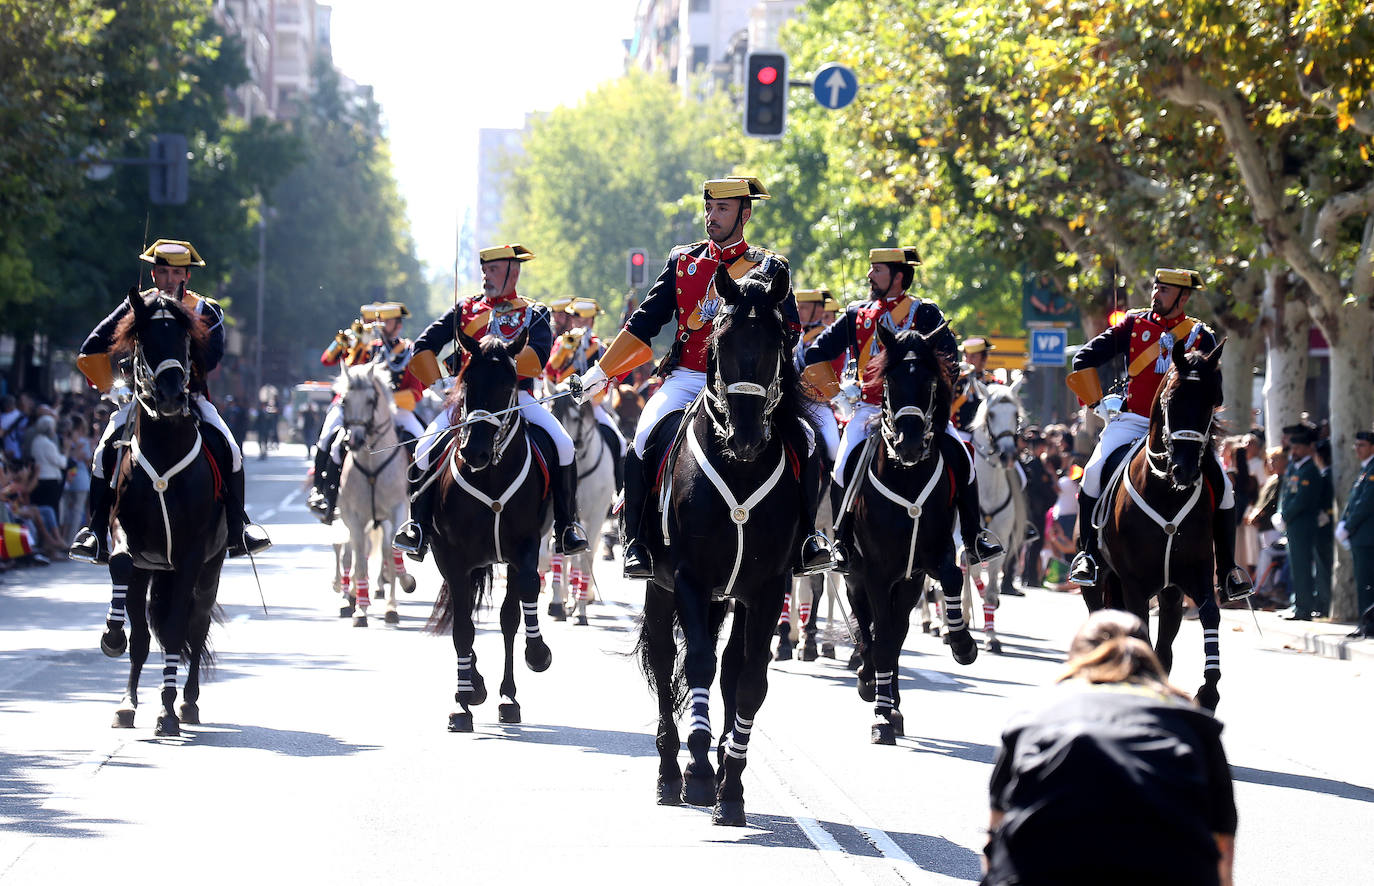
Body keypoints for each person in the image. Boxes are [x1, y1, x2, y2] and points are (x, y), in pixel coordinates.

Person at [575, 176, 832, 579]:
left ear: (744, 214)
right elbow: (646, 322)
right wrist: (601, 371)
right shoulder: (684, 261)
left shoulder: (770, 267)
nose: (712, 217)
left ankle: (806, 540)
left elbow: (792, 330)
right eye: (709, 208)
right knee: (641, 439)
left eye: (723, 209)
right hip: (689, 377)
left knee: (808, 436)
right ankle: (637, 542)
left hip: (750, 386)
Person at [984, 610, 1237, 886]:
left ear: (1076, 658)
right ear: (1151, 662)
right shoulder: (1195, 724)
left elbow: (995, 836)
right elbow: (1223, 849)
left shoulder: (1036, 714)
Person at [801, 246, 1003, 573]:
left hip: (917, 411)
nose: (870, 276)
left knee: (963, 458)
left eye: (877, 270)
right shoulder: (856, 314)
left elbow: (949, 363)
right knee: (841, 466)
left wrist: (934, 399)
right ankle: (841, 542)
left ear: (898, 276)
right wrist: (836, 391)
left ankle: (973, 536)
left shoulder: (926, 313)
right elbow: (817, 353)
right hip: (868, 408)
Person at [69, 239, 271, 562]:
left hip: (189, 396)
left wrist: (181, 377)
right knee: (102, 452)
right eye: (162, 272)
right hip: (143, 400)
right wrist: (113, 387)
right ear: (152, 275)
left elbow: (214, 354)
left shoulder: (206, 309)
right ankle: (94, 532)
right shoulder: (137, 306)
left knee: (230, 448)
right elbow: (93, 345)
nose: (169, 280)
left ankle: (238, 528)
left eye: (177, 273)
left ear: (187, 277)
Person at [1064, 267, 1249, 600]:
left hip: (1182, 431)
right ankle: (1089, 556)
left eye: (1165, 290)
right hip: (1134, 419)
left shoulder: (1200, 336)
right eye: (1156, 287)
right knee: (1092, 474)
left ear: (1184, 297)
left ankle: (1229, 570)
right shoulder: (1133, 326)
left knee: (1225, 489)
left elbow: (1212, 387)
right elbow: (1084, 358)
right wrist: (1096, 402)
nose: (1156, 294)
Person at [394, 243, 588, 559]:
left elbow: (537, 357)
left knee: (564, 445)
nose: (486, 275)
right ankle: (417, 527)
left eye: (493, 269)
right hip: (468, 402)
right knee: (423, 448)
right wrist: (442, 386)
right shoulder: (465, 309)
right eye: (484, 269)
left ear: (513, 271)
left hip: (518, 398)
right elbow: (423, 347)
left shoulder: (534, 312)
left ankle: (566, 527)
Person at [543, 297, 627, 488]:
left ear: (592, 321)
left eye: (585, 320)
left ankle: (617, 492)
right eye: (577, 319)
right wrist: (566, 349)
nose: (580, 323)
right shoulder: (563, 342)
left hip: (590, 402)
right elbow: (550, 371)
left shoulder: (600, 347)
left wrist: (593, 399)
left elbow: (605, 380)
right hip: (561, 400)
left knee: (620, 442)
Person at [1275, 423, 1322, 620]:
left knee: (1302, 568)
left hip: (1302, 524)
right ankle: (1297, 603)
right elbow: (1286, 495)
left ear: (1307, 449)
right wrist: (1281, 513)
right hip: (1293, 525)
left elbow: (1301, 499)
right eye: (1292, 448)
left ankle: (1304, 608)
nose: (1294, 451)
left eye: (1298, 448)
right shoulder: (1295, 468)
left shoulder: (1310, 470)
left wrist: (1285, 515)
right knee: (1295, 566)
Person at [1337, 430, 1374, 635]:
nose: (1357, 449)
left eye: (1362, 445)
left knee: (1367, 584)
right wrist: (1344, 523)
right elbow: (1353, 502)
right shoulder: (1366, 469)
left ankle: (1368, 625)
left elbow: (1365, 504)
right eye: (1356, 445)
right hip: (1361, 536)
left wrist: (1348, 526)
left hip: (1367, 536)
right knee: (1363, 583)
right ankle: (1365, 623)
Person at [951, 337, 993, 437]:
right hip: (961, 434)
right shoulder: (955, 381)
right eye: (966, 355)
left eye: (973, 356)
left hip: (987, 436)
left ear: (984, 358)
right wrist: (965, 396)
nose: (968, 360)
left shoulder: (992, 382)